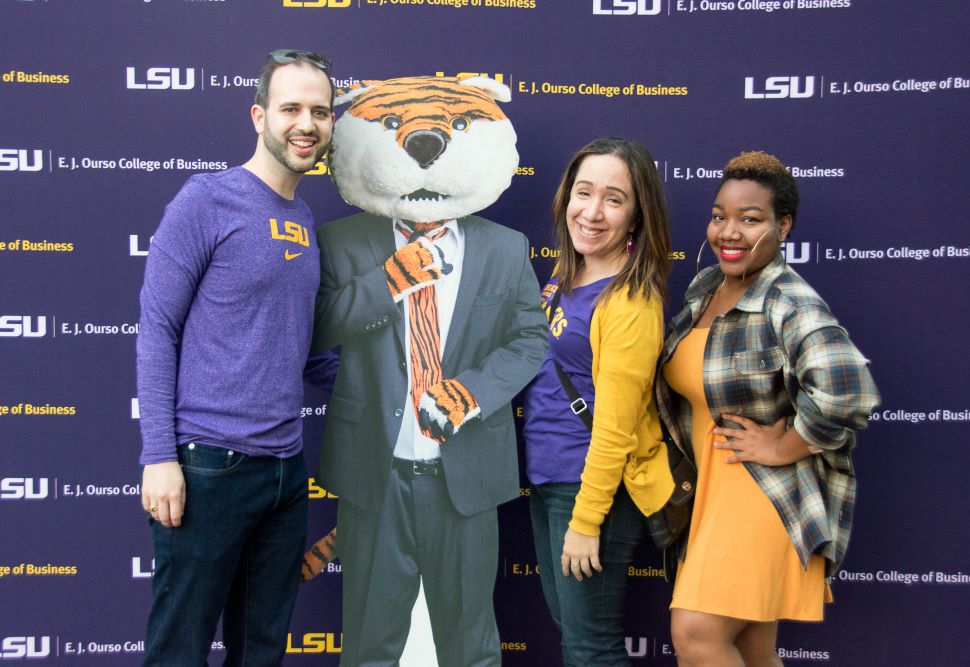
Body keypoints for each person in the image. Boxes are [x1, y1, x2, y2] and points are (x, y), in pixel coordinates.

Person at [308, 80, 549, 664]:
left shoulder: (505, 248)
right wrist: (391, 281)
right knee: (370, 641)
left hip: (466, 474)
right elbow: (314, 333)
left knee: (469, 642)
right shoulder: (340, 243)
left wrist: (471, 392)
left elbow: (530, 339)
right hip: (375, 471)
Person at [136, 49, 334, 666]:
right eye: (291, 109)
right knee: (179, 650)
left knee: (260, 652)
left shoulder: (304, 218)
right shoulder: (207, 199)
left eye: (321, 112)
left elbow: (294, 348)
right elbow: (157, 328)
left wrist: (392, 377)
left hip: (284, 473)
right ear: (259, 116)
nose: (307, 124)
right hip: (209, 470)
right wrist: (159, 456)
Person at [656, 151, 880, 666]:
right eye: (720, 216)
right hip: (713, 490)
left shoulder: (787, 299)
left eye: (750, 219)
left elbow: (848, 390)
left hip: (763, 493)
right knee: (753, 649)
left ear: (783, 226)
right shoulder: (706, 287)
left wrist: (783, 444)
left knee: (696, 633)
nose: (729, 232)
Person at [522, 136, 675, 666]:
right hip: (549, 478)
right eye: (583, 193)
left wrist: (587, 521)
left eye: (614, 199)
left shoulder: (630, 300)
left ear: (636, 216)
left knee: (591, 648)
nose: (592, 211)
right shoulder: (567, 276)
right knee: (575, 634)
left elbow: (617, 427)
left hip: (589, 490)